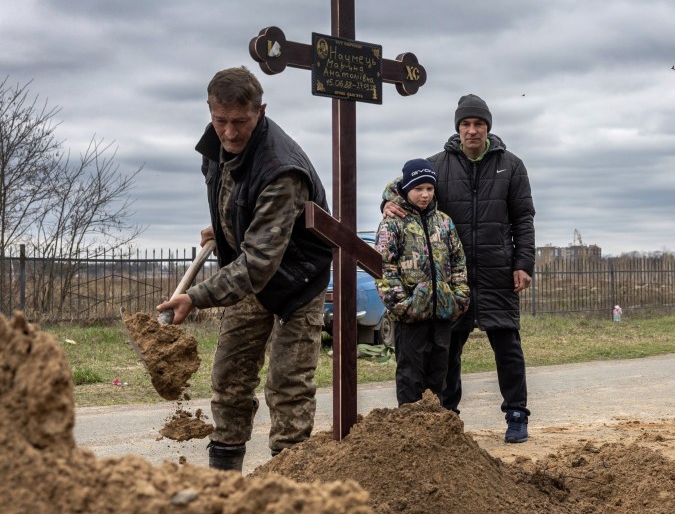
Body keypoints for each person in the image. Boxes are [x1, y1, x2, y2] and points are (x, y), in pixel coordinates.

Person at [157, 66, 333, 472]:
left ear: (261, 111)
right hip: (250, 275)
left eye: (241, 121)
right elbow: (237, 197)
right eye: (221, 121)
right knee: (230, 375)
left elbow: (258, 263)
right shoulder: (215, 148)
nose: (231, 133)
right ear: (210, 111)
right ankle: (224, 478)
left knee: (288, 385)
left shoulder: (282, 170)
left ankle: (289, 480)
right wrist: (224, 227)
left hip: (295, 281)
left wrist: (197, 296)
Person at [382, 94, 536, 443]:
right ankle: (447, 417)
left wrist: (523, 263)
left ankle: (516, 414)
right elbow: (403, 185)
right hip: (454, 277)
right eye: (465, 124)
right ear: (458, 128)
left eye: (478, 124)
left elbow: (523, 219)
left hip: (499, 272)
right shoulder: (439, 164)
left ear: (487, 128)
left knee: (508, 347)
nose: (471, 130)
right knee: (448, 350)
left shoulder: (511, 166)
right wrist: (387, 202)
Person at [374, 158, 471, 406]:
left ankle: (435, 429)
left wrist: (458, 298)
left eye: (429, 188)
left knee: (439, 375)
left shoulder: (444, 222)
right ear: (406, 189)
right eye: (418, 189)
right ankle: (409, 431)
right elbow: (384, 267)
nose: (425, 195)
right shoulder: (393, 223)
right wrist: (402, 305)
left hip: (441, 314)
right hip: (410, 317)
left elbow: (458, 260)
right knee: (410, 376)